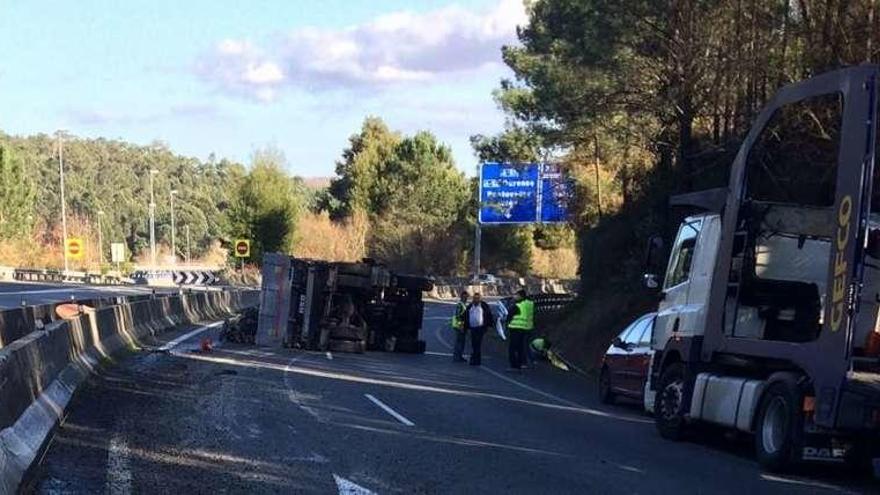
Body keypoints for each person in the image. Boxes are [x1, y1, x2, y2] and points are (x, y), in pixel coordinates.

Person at [506, 289, 535, 370]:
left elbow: (509, 317)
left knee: (513, 348)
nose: (515, 296)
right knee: (522, 347)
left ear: (521, 296)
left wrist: (506, 325)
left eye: (516, 295)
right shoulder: (530, 304)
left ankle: (514, 365)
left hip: (516, 328)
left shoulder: (517, 306)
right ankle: (522, 363)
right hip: (527, 328)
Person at [464, 292, 494, 366]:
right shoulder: (470, 306)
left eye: (477, 298)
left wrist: (489, 326)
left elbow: (489, 316)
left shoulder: (484, 306)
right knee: (474, 344)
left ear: (480, 298)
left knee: (477, 344)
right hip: (472, 328)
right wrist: (465, 327)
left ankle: (476, 360)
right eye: (474, 298)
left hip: (481, 328)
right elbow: (465, 316)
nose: (476, 299)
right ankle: (474, 358)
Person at [451, 291, 469, 362]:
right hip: (459, 326)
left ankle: (459, 356)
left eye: (466, 297)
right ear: (462, 297)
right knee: (459, 342)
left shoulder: (463, 305)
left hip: (461, 326)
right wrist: (460, 326)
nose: (466, 298)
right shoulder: (460, 305)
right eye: (465, 297)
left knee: (461, 342)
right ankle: (457, 357)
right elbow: (458, 316)